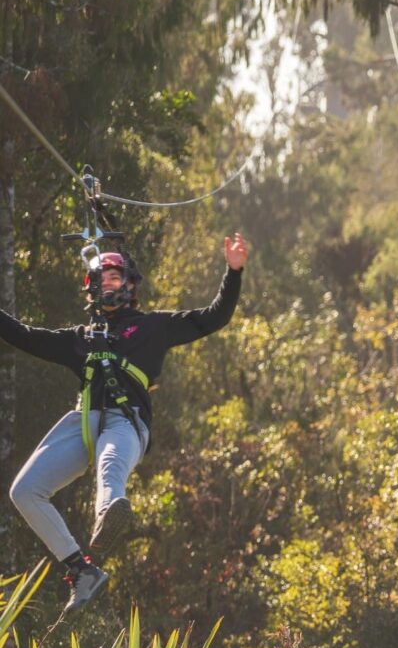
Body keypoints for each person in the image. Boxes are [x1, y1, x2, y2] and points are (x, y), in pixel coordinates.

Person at [2, 233, 249, 612]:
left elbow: (213, 317)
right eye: (102, 279)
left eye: (115, 277)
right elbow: (24, 335)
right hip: (84, 421)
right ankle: (81, 570)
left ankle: (109, 511)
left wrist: (233, 272)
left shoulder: (154, 326)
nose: (108, 284)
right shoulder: (80, 338)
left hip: (125, 421)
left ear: (131, 285)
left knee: (110, 464)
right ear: (91, 288)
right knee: (24, 491)